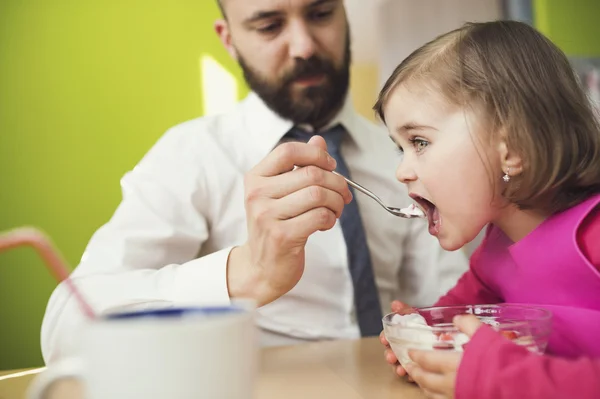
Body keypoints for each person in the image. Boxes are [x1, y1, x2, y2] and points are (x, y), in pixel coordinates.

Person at [40, 0, 467, 363]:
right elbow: (65, 328)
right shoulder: (191, 157)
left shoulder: (402, 156)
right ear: (228, 39)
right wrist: (245, 274)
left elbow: (451, 305)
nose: (303, 46)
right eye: (269, 26)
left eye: (320, 14)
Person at [376, 20, 600, 399]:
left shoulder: (592, 233)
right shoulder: (493, 255)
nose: (402, 171)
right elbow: (459, 320)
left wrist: (500, 377)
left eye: (419, 141)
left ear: (509, 146)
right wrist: (427, 345)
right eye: (401, 148)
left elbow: (501, 373)